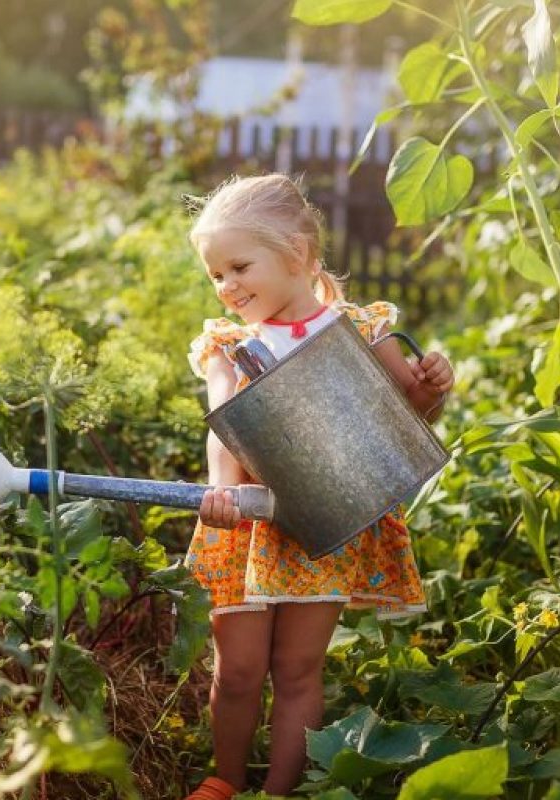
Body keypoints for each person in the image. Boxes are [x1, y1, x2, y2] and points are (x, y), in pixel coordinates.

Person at [179, 174, 454, 799]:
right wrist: (223, 489)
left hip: (328, 520)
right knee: (240, 669)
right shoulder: (233, 347)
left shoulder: (360, 330)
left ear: (298, 254)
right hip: (250, 520)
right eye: (215, 275)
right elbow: (225, 425)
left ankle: (280, 791)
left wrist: (432, 387)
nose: (226, 287)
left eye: (239, 266)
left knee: (298, 670)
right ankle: (224, 780)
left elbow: (404, 417)